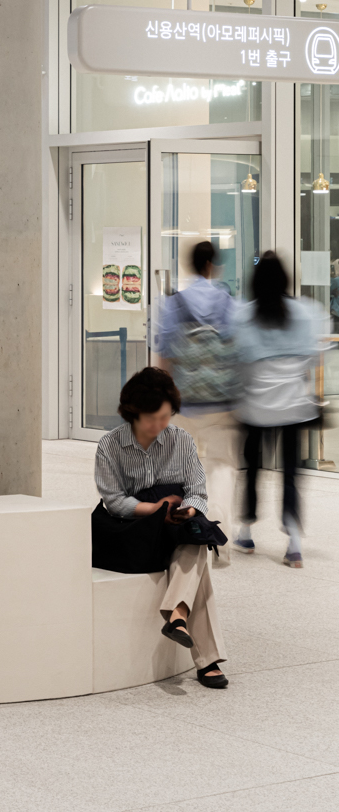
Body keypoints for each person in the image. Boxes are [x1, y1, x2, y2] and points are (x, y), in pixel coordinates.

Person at [94, 366, 228, 689]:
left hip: (175, 524)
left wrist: (187, 510)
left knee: (195, 536)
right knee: (198, 555)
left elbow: (198, 490)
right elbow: (114, 500)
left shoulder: (181, 440)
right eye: (151, 418)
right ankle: (204, 656)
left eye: (165, 417)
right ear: (133, 414)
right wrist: (156, 510)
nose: (159, 425)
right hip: (134, 530)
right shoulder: (110, 446)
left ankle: (178, 617)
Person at [231, 250, 326, 568]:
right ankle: (294, 545)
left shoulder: (243, 316)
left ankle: (246, 532)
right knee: (290, 474)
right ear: (286, 279)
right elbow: (312, 359)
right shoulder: (306, 313)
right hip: (294, 407)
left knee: (252, 469)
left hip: (255, 407)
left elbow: (238, 366)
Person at [155, 240, 240, 565]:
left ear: (191, 266)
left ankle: (182, 541)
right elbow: (238, 351)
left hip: (184, 402)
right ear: (211, 266)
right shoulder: (228, 303)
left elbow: (165, 354)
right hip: (220, 403)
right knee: (221, 469)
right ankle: (221, 544)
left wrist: (165, 400)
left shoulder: (175, 303)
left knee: (178, 471)